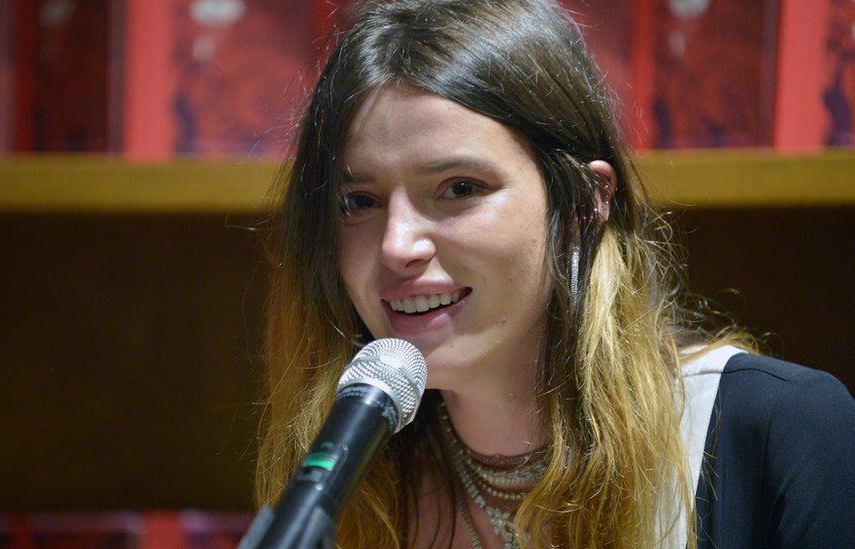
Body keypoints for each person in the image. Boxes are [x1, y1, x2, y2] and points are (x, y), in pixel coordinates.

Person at [254, 0, 855, 547]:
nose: (396, 245)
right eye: (359, 202)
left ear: (584, 204)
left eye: (459, 188)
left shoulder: (781, 431)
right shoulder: (335, 485)